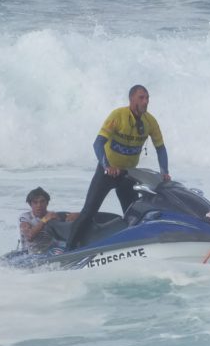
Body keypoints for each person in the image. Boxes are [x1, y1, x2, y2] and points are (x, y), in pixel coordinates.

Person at [66, 84, 171, 250]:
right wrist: (107, 165)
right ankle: (68, 250)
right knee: (88, 212)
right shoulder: (118, 115)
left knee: (132, 215)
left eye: (147, 98)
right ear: (131, 99)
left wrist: (164, 171)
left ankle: (132, 248)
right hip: (108, 172)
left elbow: (161, 148)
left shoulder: (150, 121)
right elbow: (98, 143)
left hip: (127, 176)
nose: (145, 101)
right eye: (141, 98)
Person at [19, 187, 79, 255]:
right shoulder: (25, 218)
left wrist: (76, 215)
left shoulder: (52, 215)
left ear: (47, 203)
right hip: (32, 255)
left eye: (42, 201)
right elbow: (29, 236)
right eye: (35, 202)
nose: (39, 205)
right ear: (30, 204)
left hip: (52, 250)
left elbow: (69, 217)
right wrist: (44, 220)